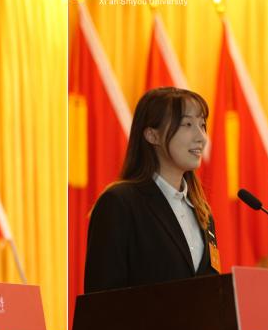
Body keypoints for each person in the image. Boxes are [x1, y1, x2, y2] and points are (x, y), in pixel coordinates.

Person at [83, 87, 220, 293]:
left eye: (202, 125)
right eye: (187, 124)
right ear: (152, 135)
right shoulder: (119, 203)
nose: (201, 137)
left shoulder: (203, 213)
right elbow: (101, 300)